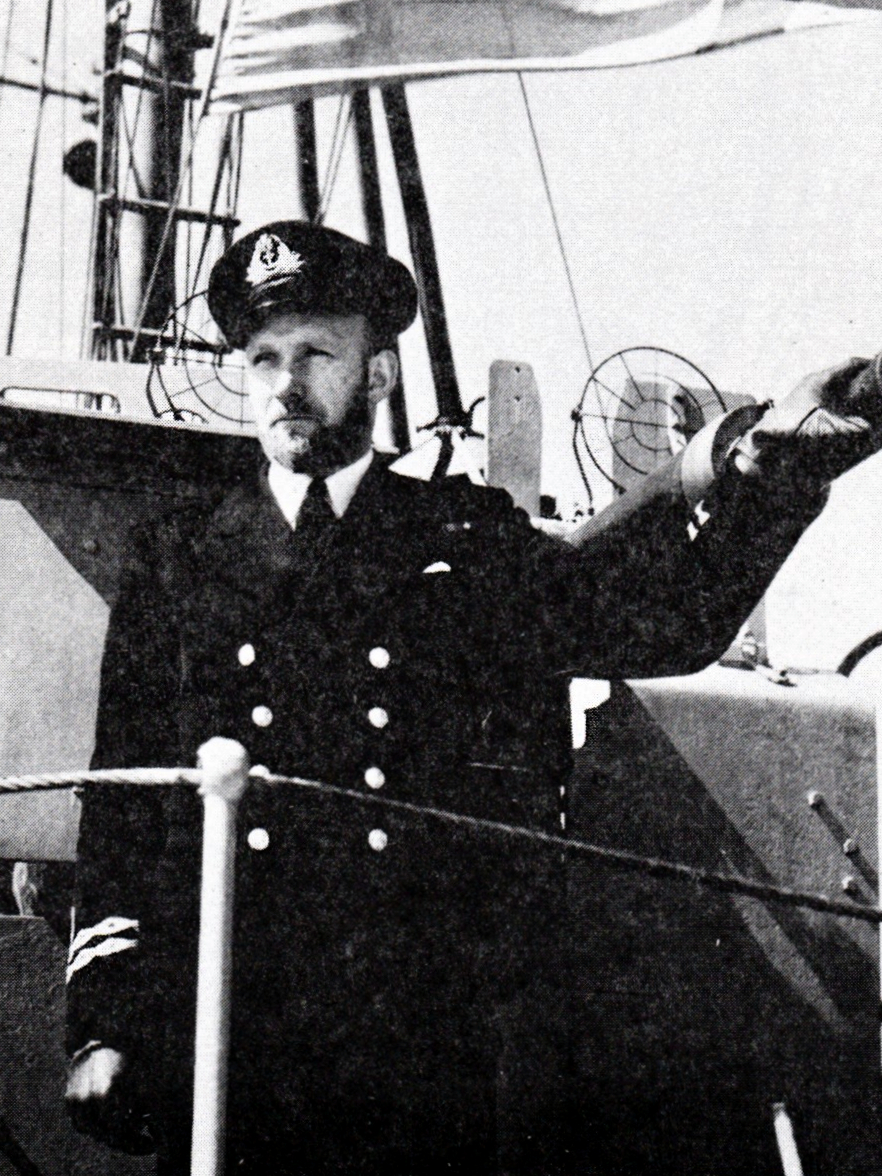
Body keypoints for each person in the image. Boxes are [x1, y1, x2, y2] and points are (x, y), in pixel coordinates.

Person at [64, 220, 882, 1175]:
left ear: (375, 377)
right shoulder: (178, 559)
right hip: (231, 1026)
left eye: (317, 355)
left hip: (419, 1045)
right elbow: (122, 809)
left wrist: (775, 474)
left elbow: (664, 624)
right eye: (263, 358)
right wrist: (104, 1024)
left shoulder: (464, 540)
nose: (285, 384)